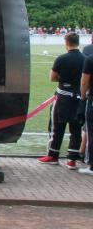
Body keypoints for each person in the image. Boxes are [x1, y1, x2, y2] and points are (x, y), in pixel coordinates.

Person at [38, 33, 85, 169]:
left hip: (63, 96)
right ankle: (72, 160)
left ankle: (53, 155)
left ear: (66, 42)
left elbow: (52, 78)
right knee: (76, 128)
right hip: (78, 96)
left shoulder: (62, 59)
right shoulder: (84, 59)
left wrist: (64, 79)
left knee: (57, 127)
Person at [79, 53, 93, 174]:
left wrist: (83, 97)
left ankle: (91, 166)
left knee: (91, 132)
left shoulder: (90, 59)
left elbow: (84, 82)